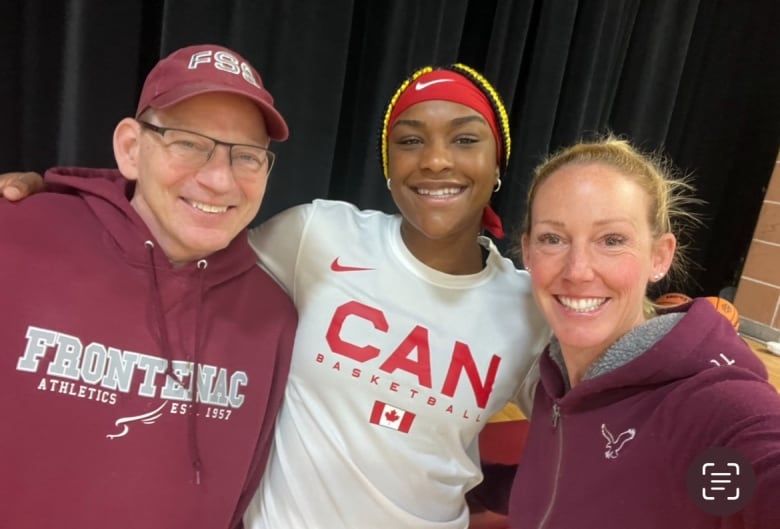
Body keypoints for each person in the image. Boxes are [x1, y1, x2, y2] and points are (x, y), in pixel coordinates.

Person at [0, 63, 550, 529]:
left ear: (497, 161)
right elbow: (184, 227)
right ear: (388, 164)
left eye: (465, 138)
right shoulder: (318, 235)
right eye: (409, 141)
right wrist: (70, 197)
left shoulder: (529, 307)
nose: (434, 160)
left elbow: (585, 426)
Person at [0, 44, 297, 529]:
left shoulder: (273, 317)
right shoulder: (14, 236)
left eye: (246, 156)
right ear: (131, 149)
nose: (220, 179)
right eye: (188, 143)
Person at [508, 136, 780, 528]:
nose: (578, 270)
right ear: (528, 253)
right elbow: (566, 491)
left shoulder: (708, 406)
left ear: (660, 256)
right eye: (553, 239)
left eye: (612, 240)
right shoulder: (550, 383)